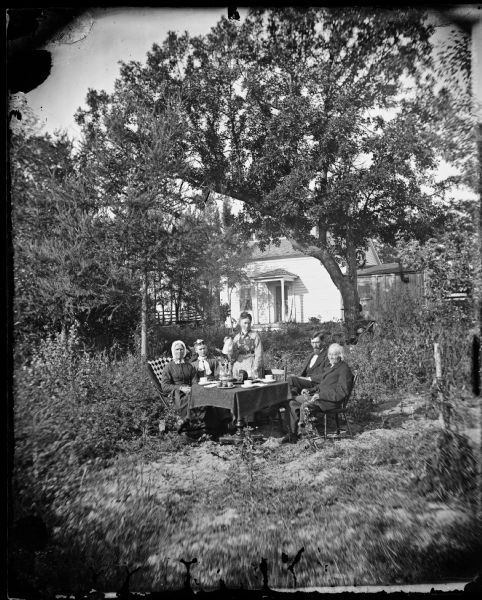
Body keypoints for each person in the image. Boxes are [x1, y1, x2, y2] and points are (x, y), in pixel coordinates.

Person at [285, 343, 354, 442]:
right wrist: (310, 390)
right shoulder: (332, 367)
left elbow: (342, 391)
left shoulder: (344, 369)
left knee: (295, 401)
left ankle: (303, 433)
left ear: (340, 355)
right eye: (330, 354)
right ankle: (293, 433)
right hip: (321, 398)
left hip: (329, 402)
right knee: (292, 402)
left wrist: (320, 395)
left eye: (334, 354)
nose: (331, 356)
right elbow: (322, 385)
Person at [160, 340, 197, 432]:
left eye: (181, 349)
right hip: (176, 393)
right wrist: (180, 388)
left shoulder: (189, 366)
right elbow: (164, 386)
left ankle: (200, 424)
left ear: (184, 351)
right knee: (187, 400)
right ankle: (185, 425)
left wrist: (193, 388)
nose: (179, 352)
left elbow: (195, 380)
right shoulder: (169, 367)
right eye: (177, 349)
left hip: (190, 390)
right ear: (173, 351)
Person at [287, 331, 331, 398]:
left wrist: (309, 378)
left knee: (291, 379)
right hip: (305, 383)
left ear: (323, 342)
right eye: (312, 343)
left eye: (317, 342)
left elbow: (327, 375)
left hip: (316, 384)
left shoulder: (328, 356)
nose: (314, 345)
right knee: (290, 388)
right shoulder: (311, 356)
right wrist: (298, 377)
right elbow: (304, 373)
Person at [231, 312, 264, 379]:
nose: (247, 325)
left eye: (249, 323)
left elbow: (259, 353)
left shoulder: (255, 336)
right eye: (245, 323)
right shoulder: (236, 338)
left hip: (250, 363)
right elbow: (233, 355)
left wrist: (256, 367)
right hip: (239, 364)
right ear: (240, 323)